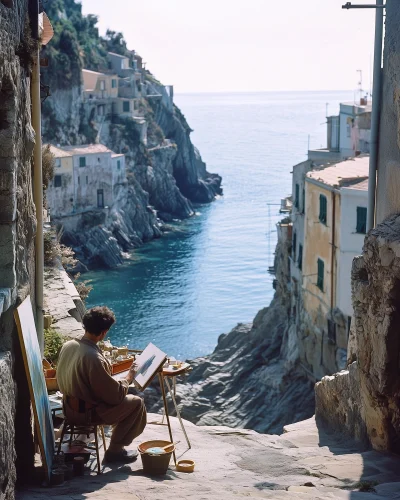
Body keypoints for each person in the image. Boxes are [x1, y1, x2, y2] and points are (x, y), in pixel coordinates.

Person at [57, 306, 146, 463]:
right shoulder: (93, 358)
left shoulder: (68, 345)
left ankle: (115, 446)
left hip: (68, 408)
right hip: (87, 414)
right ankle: (115, 451)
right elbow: (115, 397)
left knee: (127, 398)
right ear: (104, 332)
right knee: (136, 403)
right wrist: (129, 377)